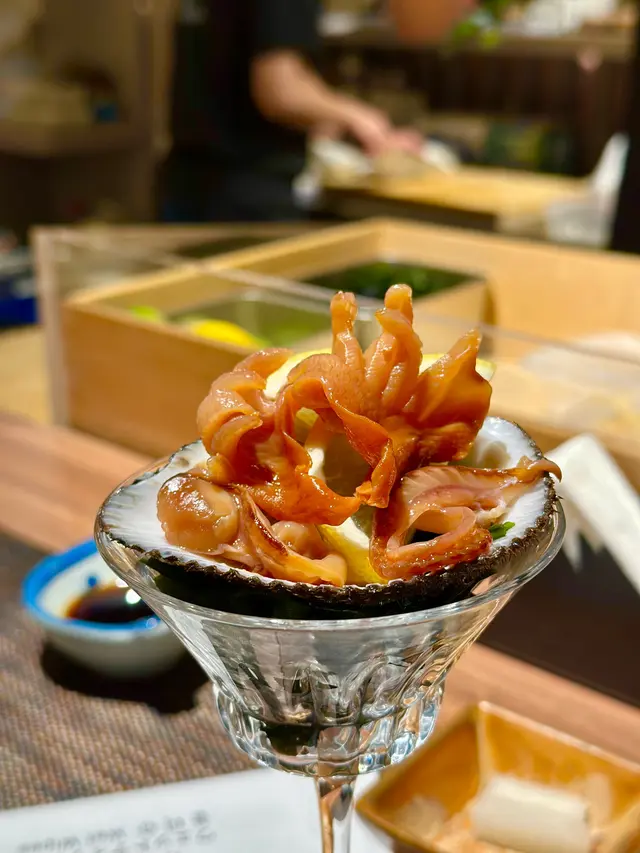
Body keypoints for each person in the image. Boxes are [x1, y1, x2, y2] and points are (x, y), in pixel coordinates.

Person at [159, 0, 476, 222]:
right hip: (247, 190)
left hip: (187, 179)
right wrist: (363, 119)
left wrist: (326, 118)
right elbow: (279, 89)